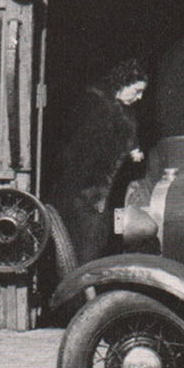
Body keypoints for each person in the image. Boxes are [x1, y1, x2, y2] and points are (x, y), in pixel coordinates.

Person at [52, 59, 149, 266]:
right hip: (86, 192)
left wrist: (133, 148)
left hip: (100, 191)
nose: (139, 98)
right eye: (137, 91)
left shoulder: (120, 109)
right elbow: (85, 155)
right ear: (123, 84)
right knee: (85, 245)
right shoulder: (98, 109)